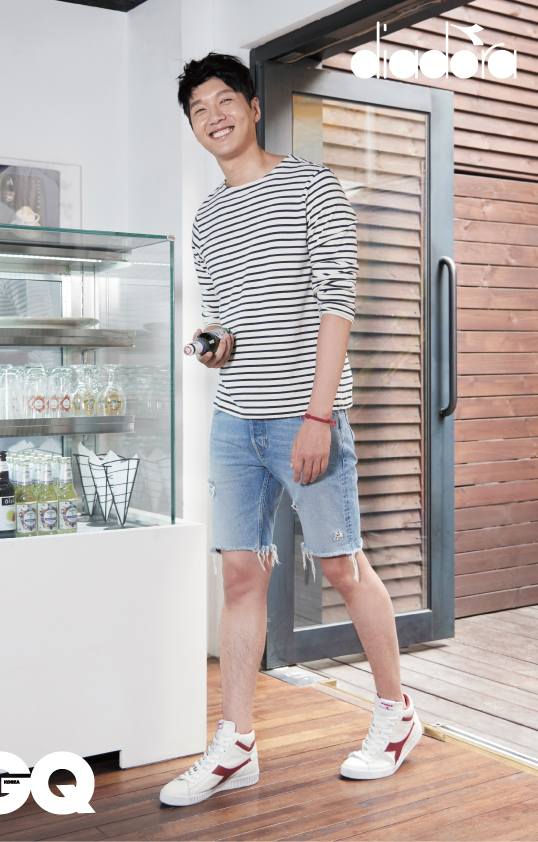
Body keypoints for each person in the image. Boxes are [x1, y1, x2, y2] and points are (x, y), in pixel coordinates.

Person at [159, 52, 422, 808]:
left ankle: (395, 715)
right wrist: (211, 345)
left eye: (223, 100)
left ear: (251, 106)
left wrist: (316, 415)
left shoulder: (312, 185)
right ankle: (236, 744)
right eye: (198, 109)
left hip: (304, 416)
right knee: (241, 574)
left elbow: (338, 302)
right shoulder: (207, 217)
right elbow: (224, 318)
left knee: (342, 566)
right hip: (234, 418)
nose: (213, 116)